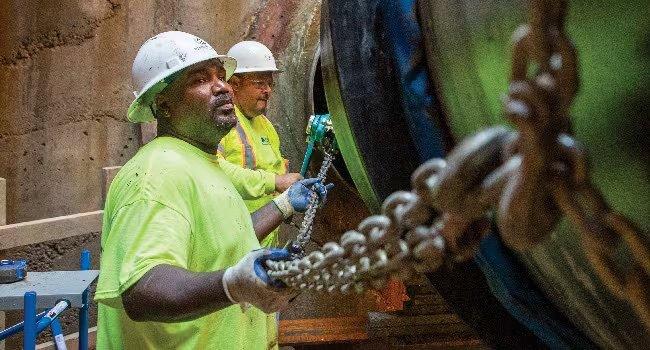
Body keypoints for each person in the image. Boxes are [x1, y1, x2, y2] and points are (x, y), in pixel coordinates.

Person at [94, 31, 329, 350]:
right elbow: (142, 288)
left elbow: (228, 236)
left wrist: (285, 205)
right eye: (199, 79)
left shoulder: (203, 162)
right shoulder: (157, 172)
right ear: (163, 103)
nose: (222, 86)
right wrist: (233, 285)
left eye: (221, 75)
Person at [217, 41, 302, 248]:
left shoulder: (265, 125)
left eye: (270, 84)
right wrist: (275, 182)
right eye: (259, 83)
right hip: (230, 242)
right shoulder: (220, 121)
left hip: (263, 240)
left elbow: (276, 171)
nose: (267, 91)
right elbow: (215, 171)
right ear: (235, 83)